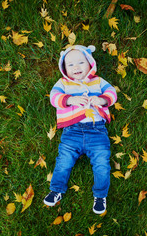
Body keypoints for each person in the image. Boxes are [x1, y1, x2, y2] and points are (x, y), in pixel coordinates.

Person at [44, 45, 117, 214]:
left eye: (80, 62)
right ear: (64, 69)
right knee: (64, 161)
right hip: (72, 131)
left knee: (101, 163)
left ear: (90, 63)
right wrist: (69, 100)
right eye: (70, 65)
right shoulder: (63, 83)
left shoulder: (98, 81)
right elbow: (54, 97)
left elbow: (112, 93)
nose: (76, 67)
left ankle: (100, 195)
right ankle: (56, 190)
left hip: (97, 131)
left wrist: (102, 100)